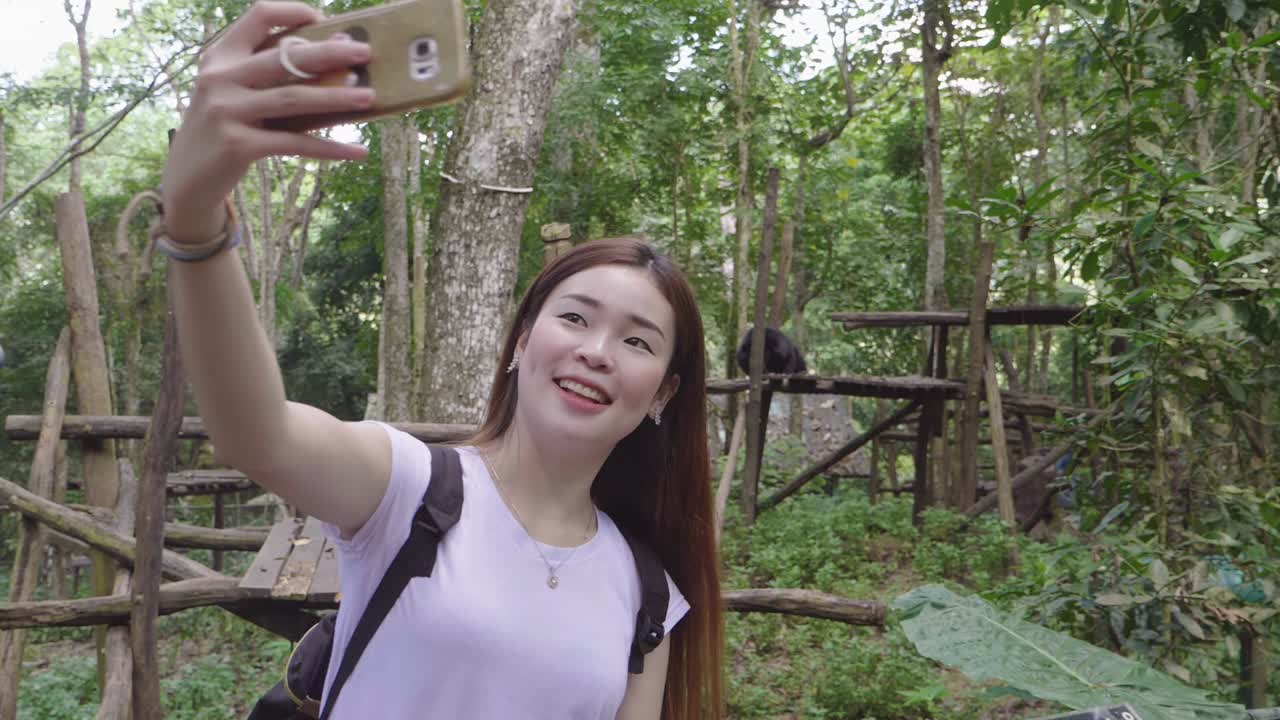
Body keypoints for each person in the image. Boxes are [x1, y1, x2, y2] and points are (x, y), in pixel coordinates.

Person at [155, 2, 724, 718]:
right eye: (575, 317)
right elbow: (256, 434)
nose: (595, 351)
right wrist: (196, 214)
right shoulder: (410, 489)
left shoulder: (648, 594)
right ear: (521, 343)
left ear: (664, 392)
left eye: (637, 340)